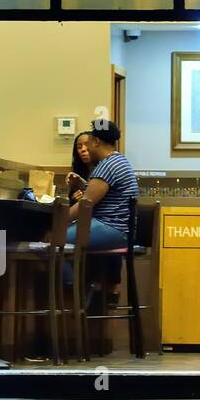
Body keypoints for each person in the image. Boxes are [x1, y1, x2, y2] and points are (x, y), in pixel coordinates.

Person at [64, 119, 136, 300]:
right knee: (71, 238)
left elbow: (85, 205)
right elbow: (99, 191)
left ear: (96, 142)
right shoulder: (119, 160)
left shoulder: (107, 166)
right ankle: (82, 291)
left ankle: (72, 293)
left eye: (88, 143)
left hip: (113, 229)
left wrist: (57, 220)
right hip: (120, 229)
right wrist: (83, 183)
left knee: (56, 238)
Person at [65, 131, 93, 200]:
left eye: (87, 145)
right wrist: (74, 199)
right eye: (79, 147)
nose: (83, 149)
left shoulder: (105, 169)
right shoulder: (78, 172)